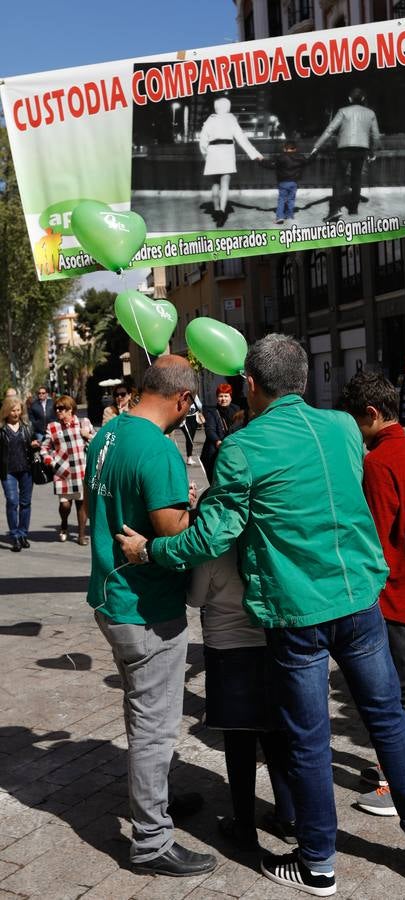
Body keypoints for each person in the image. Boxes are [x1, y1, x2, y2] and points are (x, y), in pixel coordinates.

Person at [117, 334, 405, 895]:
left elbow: (211, 537)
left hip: (297, 612)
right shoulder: (343, 427)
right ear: (303, 379)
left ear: (251, 384)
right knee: (387, 715)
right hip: (358, 596)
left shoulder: (243, 448)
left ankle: (318, 862)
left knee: (307, 736)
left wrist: (150, 550)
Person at [84, 355, 216, 878]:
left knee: (142, 714)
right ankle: (151, 840)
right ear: (182, 399)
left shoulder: (108, 433)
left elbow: (108, 508)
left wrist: (170, 503)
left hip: (110, 596)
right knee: (154, 729)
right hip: (146, 608)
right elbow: (171, 533)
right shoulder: (159, 448)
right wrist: (192, 511)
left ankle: (155, 798)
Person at [341, 370, 405, 817]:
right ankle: (402, 768)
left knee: (397, 689)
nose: (355, 431)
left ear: (372, 414)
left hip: (390, 587)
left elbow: (373, 538)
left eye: (356, 421)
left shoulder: (379, 462)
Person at [189, 541, 296, 850]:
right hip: (269, 644)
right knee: (276, 735)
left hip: (227, 651)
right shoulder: (266, 540)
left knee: (238, 743)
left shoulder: (213, 549)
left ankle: (244, 825)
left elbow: (195, 598)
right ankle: (289, 818)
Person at [311, 87, 381, 222]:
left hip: (344, 149)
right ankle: (353, 209)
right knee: (356, 178)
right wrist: (373, 152)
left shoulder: (343, 111)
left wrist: (316, 146)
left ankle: (334, 210)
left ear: (349, 99)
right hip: (361, 149)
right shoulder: (370, 113)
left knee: (339, 178)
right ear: (363, 99)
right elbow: (375, 135)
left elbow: (330, 130)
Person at [199, 96, 263, 227]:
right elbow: (241, 139)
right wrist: (255, 154)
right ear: (227, 107)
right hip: (227, 151)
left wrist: (206, 156)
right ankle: (222, 213)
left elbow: (202, 142)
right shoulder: (231, 119)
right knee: (225, 184)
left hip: (212, 152)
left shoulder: (210, 120)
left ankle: (216, 210)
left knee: (215, 184)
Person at [41, 395, 94, 545]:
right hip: (62, 472)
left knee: (81, 504)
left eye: (61, 408)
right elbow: (44, 448)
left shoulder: (84, 422)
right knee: (65, 505)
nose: (58, 411)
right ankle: (64, 524)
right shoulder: (53, 427)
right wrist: (52, 463)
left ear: (70, 409)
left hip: (81, 470)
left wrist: (88, 435)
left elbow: (97, 442)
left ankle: (81, 535)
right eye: (56, 409)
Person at [0, 397, 38, 552]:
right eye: (12, 410)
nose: (16, 413)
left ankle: (23, 534)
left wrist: (35, 445)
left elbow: (35, 443)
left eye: (18, 410)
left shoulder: (27, 427)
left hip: (26, 469)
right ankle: (15, 535)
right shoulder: (1, 429)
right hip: (8, 471)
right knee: (12, 501)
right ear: (6, 411)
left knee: (25, 503)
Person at [260, 140, 311, 225]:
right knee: (291, 199)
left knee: (282, 199)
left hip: (283, 182)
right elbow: (308, 162)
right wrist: (315, 154)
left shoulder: (281, 157)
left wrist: (261, 161)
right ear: (295, 149)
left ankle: (280, 217)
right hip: (294, 182)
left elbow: (270, 165)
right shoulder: (301, 157)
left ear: (284, 149)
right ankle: (290, 215)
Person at [199, 383, 239, 482]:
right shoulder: (211, 412)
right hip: (214, 452)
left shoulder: (237, 410)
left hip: (232, 450)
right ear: (217, 398)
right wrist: (217, 441)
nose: (223, 399)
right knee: (216, 481)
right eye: (221, 396)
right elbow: (210, 429)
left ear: (230, 397)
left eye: (226, 396)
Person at [180, 392, 204, 465]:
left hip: (194, 418)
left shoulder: (193, 395)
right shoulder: (180, 396)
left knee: (191, 438)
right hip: (184, 419)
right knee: (189, 437)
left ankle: (189, 457)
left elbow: (199, 405)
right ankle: (189, 458)